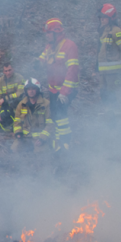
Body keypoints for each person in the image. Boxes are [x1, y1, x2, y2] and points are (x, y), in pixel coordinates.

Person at [37, 18, 79, 151]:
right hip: (53, 89)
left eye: (48, 33)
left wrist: (65, 92)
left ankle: (65, 143)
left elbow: (72, 70)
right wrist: (36, 63)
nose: (47, 36)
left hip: (67, 90)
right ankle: (58, 143)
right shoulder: (49, 46)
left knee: (61, 116)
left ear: (56, 32)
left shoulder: (69, 46)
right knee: (55, 115)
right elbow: (42, 59)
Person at [96, 3, 121, 111]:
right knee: (104, 95)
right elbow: (100, 51)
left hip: (114, 73)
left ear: (111, 18)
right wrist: (96, 68)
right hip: (104, 72)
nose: (102, 20)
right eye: (101, 17)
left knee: (114, 96)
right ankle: (109, 118)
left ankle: (117, 120)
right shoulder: (103, 31)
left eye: (104, 17)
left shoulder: (117, 31)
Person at [12, 78, 54, 153]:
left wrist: (42, 139)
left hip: (39, 139)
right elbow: (17, 121)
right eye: (28, 89)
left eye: (33, 89)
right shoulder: (21, 104)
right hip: (25, 137)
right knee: (14, 149)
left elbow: (50, 123)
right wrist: (18, 133)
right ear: (26, 91)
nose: (31, 91)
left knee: (41, 154)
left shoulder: (46, 104)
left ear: (38, 90)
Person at [0, 59, 25, 132]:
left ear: (13, 69)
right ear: (3, 72)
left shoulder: (19, 78)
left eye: (10, 70)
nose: (8, 73)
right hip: (6, 105)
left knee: (14, 116)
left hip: (17, 103)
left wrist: (5, 99)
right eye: (6, 71)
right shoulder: (0, 81)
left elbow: (20, 93)